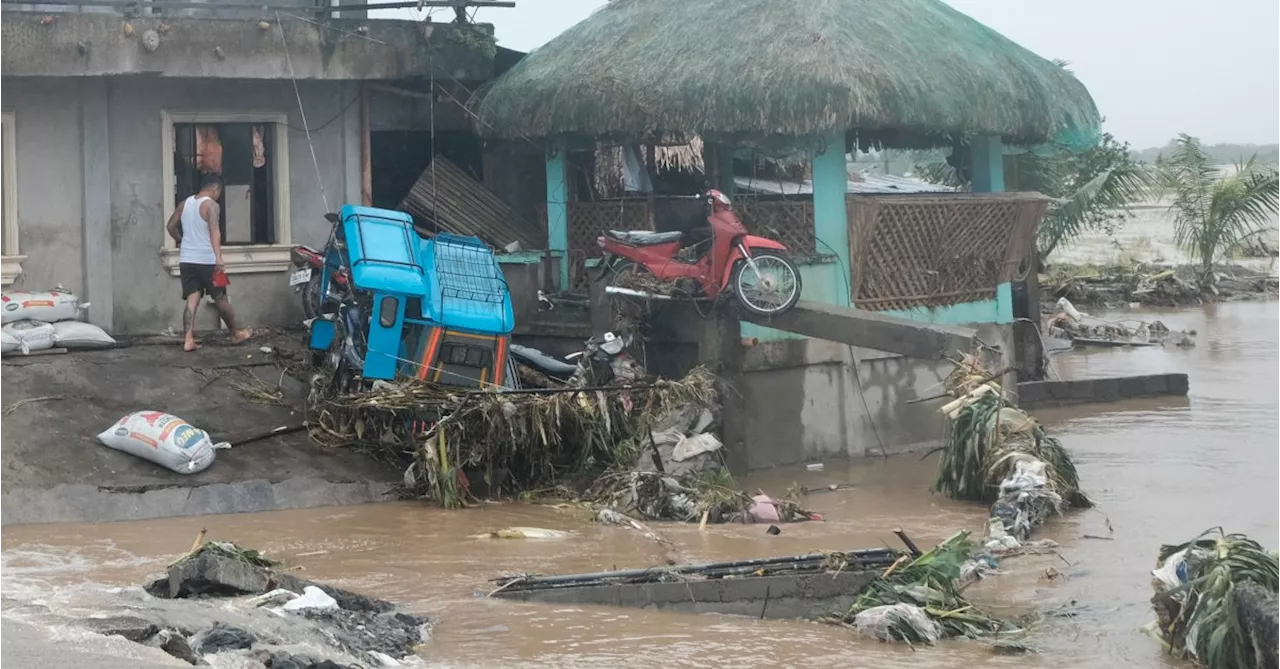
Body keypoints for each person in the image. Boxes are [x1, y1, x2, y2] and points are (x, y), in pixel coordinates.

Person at [165, 174, 252, 352]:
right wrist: (218, 257)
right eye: (219, 192)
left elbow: (170, 227)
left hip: (187, 260)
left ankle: (188, 340)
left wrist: (181, 241)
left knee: (191, 301)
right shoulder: (211, 206)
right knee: (220, 298)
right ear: (215, 189)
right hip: (207, 261)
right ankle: (235, 333)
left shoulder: (184, 204)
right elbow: (214, 231)